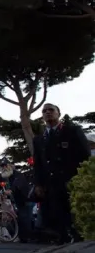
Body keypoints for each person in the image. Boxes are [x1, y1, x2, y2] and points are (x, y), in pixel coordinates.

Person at [32, 103, 90, 244]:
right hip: (51, 184)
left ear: (59, 113)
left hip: (71, 181)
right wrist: (38, 184)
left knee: (74, 215)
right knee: (57, 217)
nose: (47, 113)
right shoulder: (39, 139)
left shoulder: (72, 131)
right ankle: (62, 242)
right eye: (44, 111)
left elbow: (86, 156)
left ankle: (80, 243)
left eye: (51, 110)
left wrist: (81, 178)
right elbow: (38, 164)